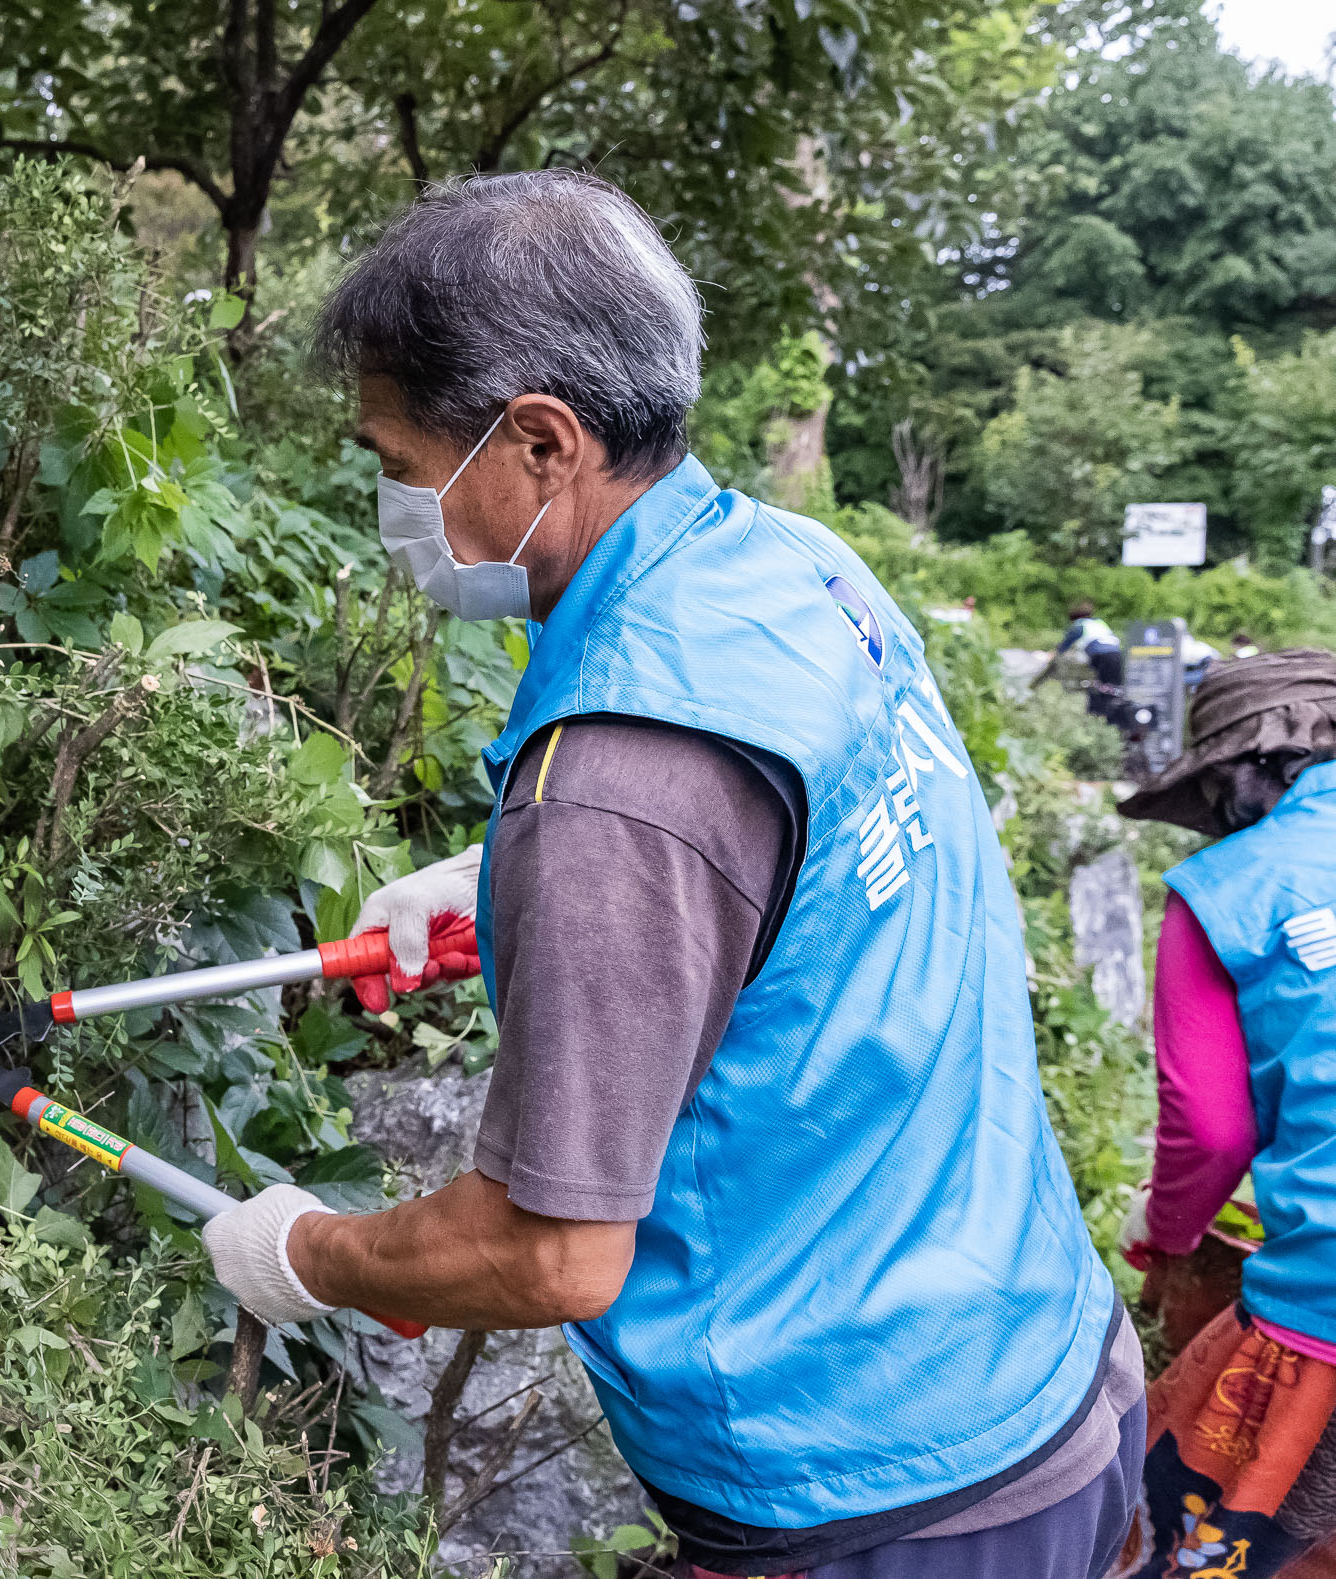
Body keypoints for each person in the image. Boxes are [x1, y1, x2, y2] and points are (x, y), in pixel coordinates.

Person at [198, 172, 1140, 1578]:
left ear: (539, 440)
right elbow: (789, 859)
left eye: (398, 462)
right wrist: (498, 877)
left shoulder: (618, 786)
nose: (393, 503)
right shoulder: (791, 572)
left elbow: (549, 1251)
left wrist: (307, 1251)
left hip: (870, 1488)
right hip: (1044, 1368)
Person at [1105, 653, 1336, 1578]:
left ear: (1258, 767)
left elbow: (1212, 1130)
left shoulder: (1225, 891)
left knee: (1176, 1534)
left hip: (1321, 1303)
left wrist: (1165, 1241)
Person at [1039, 602, 1127, 722]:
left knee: (1100, 688)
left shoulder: (1079, 625)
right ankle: (1115, 719)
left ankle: (1097, 718)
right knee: (1115, 687)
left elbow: (1064, 646)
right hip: (1118, 654)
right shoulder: (1099, 622)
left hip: (1100, 656)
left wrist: (1050, 655)